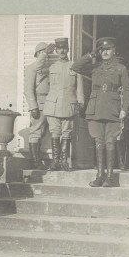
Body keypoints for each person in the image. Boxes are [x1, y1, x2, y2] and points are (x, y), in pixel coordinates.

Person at [71, 37, 129, 187]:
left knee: (110, 141)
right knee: (98, 141)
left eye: (108, 49)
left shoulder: (120, 68)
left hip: (112, 108)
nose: (105, 52)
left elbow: (128, 90)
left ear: (114, 51)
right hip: (96, 108)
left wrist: (124, 109)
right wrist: (91, 55)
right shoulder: (95, 67)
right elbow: (75, 67)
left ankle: (110, 177)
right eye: (102, 50)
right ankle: (99, 175)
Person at [41, 37, 84, 171]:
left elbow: (80, 87)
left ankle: (64, 161)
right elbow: (37, 69)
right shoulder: (51, 66)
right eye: (59, 48)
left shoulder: (74, 66)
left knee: (67, 133)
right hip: (53, 104)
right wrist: (45, 54)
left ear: (68, 49)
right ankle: (55, 162)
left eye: (64, 48)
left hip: (68, 104)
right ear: (57, 50)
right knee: (55, 132)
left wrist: (81, 102)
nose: (62, 51)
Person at [23, 42, 54, 169]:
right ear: (37, 54)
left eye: (45, 52)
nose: (44, 55)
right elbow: (28, 89)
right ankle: (35, 161)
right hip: (39, 104)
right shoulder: (32, 68)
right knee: (35, 132)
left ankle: (50, 160)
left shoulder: (50, 68)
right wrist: (33, 106)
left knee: (53, 131)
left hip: (52, 103)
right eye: (42, 52)